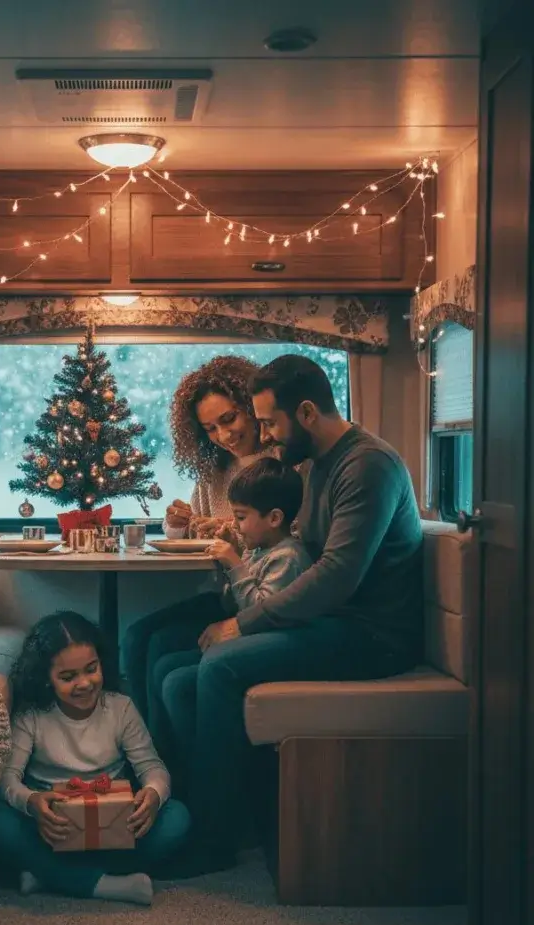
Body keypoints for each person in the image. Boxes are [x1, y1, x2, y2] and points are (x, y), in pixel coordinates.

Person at [161, 354, 424, 876]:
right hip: (333, 622)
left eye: (268, 422)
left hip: (371, 635)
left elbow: (336, 576)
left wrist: (243, 623)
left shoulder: (366, 466)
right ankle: (220, 816)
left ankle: (213, 844)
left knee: (220, 665)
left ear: (305, 412)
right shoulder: (323, 463)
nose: (264, 434)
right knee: (176, 677)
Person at [0, 611, 191, 906]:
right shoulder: (32, 716)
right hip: (53, 830)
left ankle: (49, 874)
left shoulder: (120, 708)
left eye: (91, 669)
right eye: (68, 677)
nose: (84, 684)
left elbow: (152, 767)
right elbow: (7, 779)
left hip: (113, 827)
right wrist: (32, 803)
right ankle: (106, 884)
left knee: (177, 818)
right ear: (46, 679)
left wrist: (153, 796)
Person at [147, 456, 312, 793]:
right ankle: (171, 768)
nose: (237, 525)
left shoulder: (287, 557)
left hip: (269, 651)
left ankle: (200, 779)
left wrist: (235, 563)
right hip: (245, 642)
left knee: (177, 682)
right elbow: (232, 603)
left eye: (241, 518)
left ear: (275, 518)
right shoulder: (260, 549)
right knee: (165, 664)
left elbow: (261, 613)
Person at [121, 355, 270, 719]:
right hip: (223, 595)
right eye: (210, 429)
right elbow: (188, 531)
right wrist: (176, 523)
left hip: (256, 595)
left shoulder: (283, 465)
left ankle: (167, 760)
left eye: (229, 418)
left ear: (252, 407)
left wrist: (227, 534)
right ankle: (149, 753)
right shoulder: (214, 473)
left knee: (158, 648)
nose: (224, 436)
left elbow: (283, 538)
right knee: (135, 637)